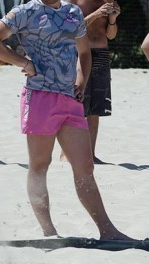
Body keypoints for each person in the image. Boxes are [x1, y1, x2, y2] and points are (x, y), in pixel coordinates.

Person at [0, 0, 131, 240]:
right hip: (39, 97)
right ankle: (49, 233)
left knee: (85, 167)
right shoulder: (25, 11)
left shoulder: (72, 12)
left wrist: (81, 81)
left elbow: (84, 52)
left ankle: (108, 231)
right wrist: (24, 62)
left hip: (69, 99)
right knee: (40, 166)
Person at [62, 0, 120, 164]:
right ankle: (66, 153)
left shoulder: (107, 1)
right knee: (75, 103)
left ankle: (90, 154)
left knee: (96, 107)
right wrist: (96, 14)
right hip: (79, 53)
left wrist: (113, 19)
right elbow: (69, 30)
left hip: (101, 53)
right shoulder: (71, 2)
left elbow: (111, 35)